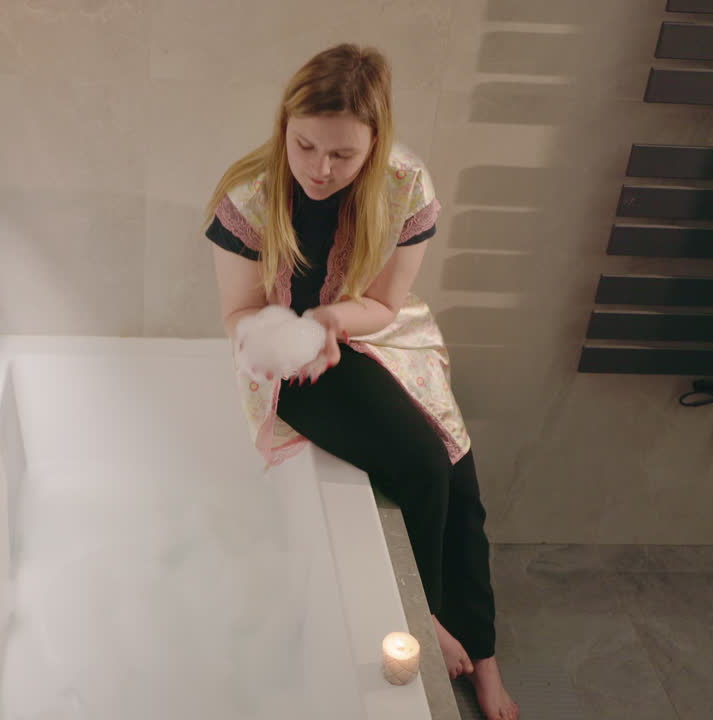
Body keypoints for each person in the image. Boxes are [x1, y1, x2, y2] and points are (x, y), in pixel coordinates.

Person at [204, 43, 519, 720]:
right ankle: (427, 616)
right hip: (286, 358)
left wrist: (328, 319)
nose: (320, 168)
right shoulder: (251, 198)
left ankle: (483, 654)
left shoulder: (406, 187)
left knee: (462, 475)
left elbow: (383, 306)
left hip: (376, 333)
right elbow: (237, 317)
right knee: (424, 463)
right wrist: (298, 337)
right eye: (305, 145)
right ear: (284, 127)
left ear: (376, 143)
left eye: (343, 154)